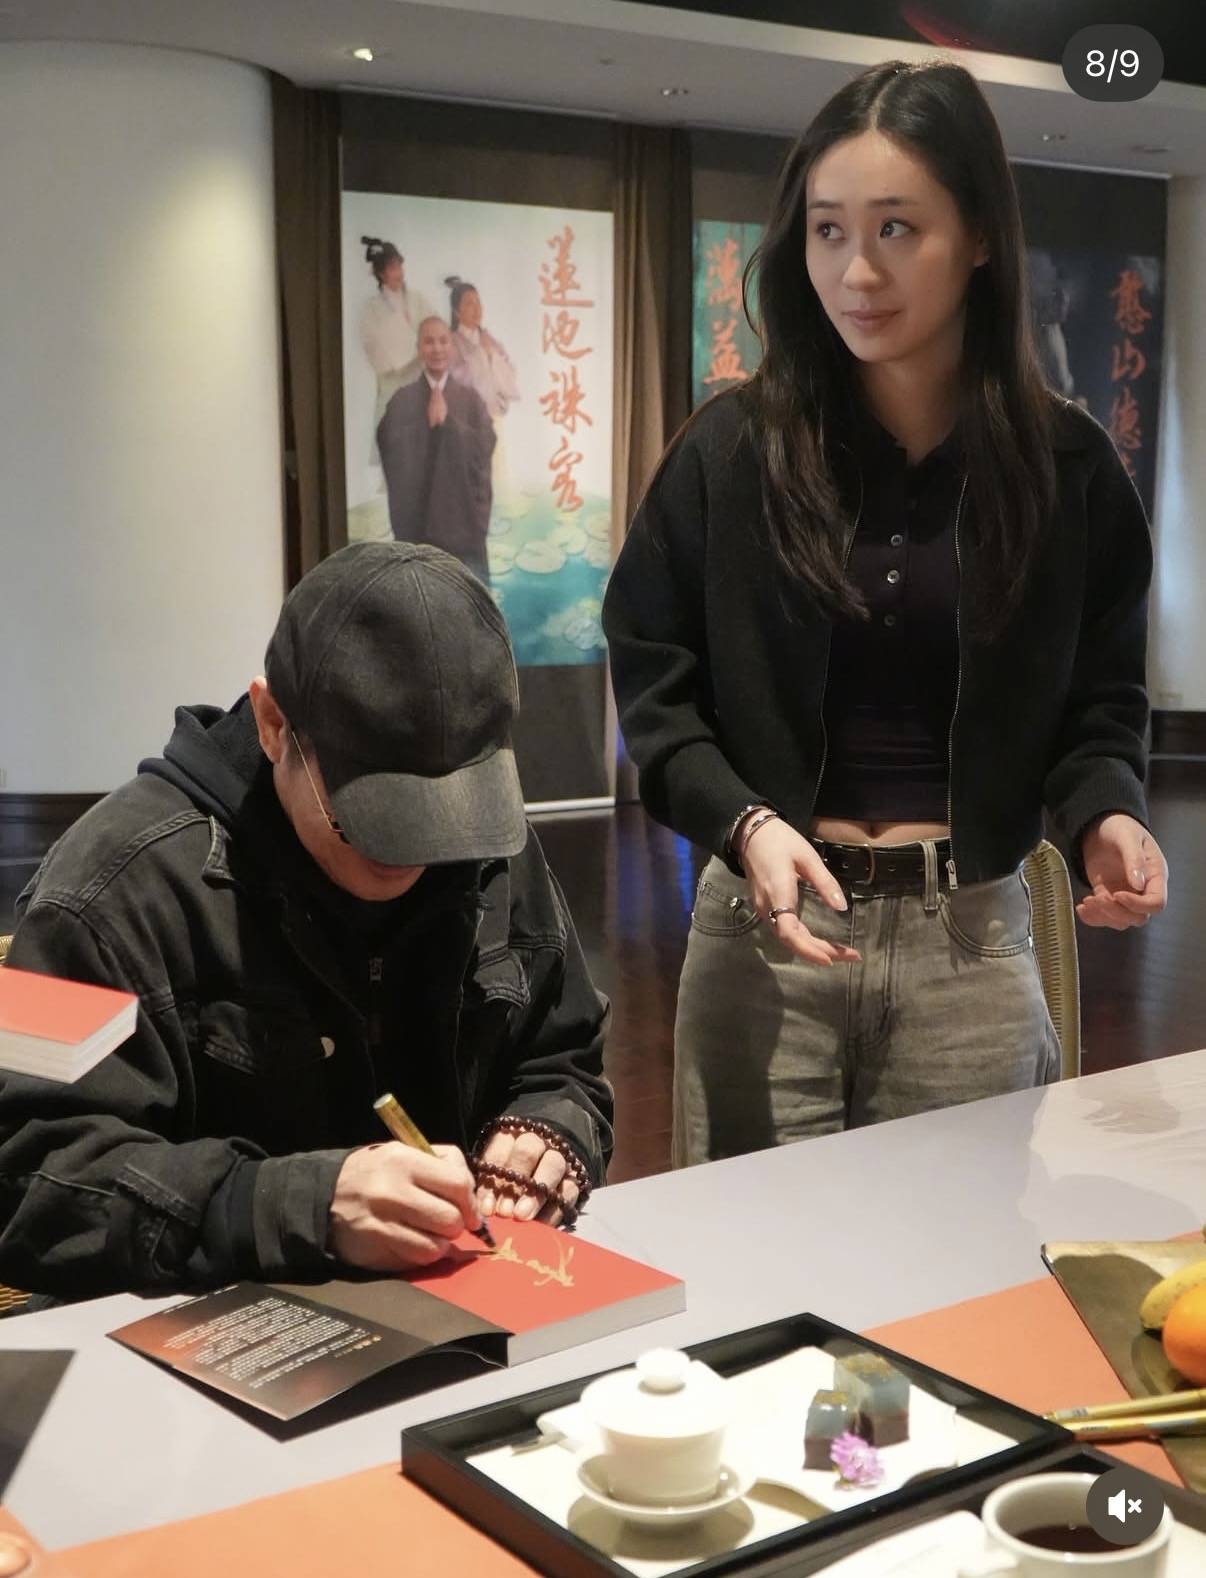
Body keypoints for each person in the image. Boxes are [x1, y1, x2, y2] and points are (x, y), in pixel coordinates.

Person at [602, 59, 1167, 1167]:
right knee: (752, 1261)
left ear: (981, 237)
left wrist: (1108, 811)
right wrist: (744, 823)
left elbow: (1101, 700)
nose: (856, 271)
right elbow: (655, 681)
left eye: (897, 229)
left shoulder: (1068, 468)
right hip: (766, 936)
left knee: (956, 1259)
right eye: (828, 231)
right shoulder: (732, 450)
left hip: (971, 943)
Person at [0, 543, 612, 1299]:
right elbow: (28, 1174)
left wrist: (551, 1130)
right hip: (206, 1330)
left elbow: (564, 1056)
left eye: (450, 818)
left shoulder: (489, 842)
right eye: (375, 821)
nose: (418, 858)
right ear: (272, 723)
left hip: (465, 1306)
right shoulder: (107, 887)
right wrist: (300, 1206)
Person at [377, 317, 496, 583]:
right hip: (417, 529)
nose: (437, 349)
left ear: (452, 346)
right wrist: (424, 426)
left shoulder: (471, 400)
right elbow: (389, 448)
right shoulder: (402, 400)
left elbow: (485, 447)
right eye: (429, 342)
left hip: (464, 528)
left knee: (469, 604)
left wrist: (449, 425)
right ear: (419, 348)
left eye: (443, 341)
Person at [447, 275, 521, 504]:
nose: (476, 308)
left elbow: (509, 376)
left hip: (492, 419)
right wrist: (480, 356)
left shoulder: (488, 339)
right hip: (465, 424)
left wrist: (490, 355)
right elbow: (454, 379)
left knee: (497, 480)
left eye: (478, 302)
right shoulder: (451, 342)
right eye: (469, 303)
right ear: (456, 311)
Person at [358, 236, 436, 429]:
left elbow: (435, 328)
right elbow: (373, 348)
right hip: (392, 385)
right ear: (381, 274)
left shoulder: (417, 299)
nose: (399, 273)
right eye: (392, 268)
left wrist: (425, 350)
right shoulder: (371, 309)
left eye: (399, 266)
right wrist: (413, 350)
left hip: (421, 382)